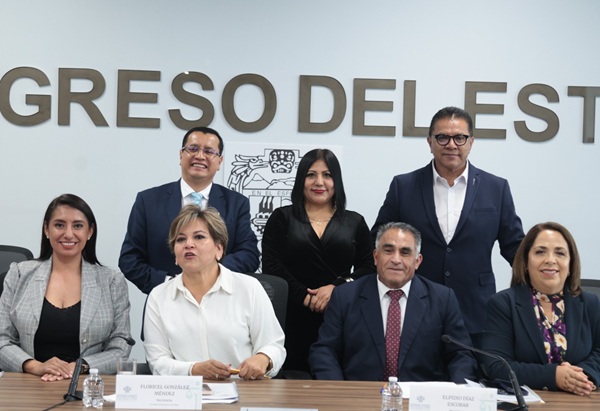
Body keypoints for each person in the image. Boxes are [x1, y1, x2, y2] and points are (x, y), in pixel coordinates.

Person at [371, 106, 524, 347]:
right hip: (416, 307)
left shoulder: (496, 188)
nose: (451, 144)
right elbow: (379, 241)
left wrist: (537, 289)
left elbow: (515, 247)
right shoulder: (404, 186)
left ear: (471, 142)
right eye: (442, 137)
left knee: (474, 371)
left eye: (459, 137)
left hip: (476, 310)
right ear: (429, 142)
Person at [309, 222, 476, 382]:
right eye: (388, 251)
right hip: (361, 395)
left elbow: (461, 355)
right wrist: (338, 391)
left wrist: (457, 395)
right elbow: (325, 350)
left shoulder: (442, 298)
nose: (396, 259)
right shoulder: (345, 296)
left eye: (405, 252)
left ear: (417, 261)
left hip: (420, 397)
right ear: (376, 256)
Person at [262, 148, 375, 373]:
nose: (319, 182)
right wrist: (305, 296)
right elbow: (272, 266)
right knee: (290, 382)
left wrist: (337, 288)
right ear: (300, 180)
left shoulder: (355, 221)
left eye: (327, 175)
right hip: (290, 317)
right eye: (311, 175)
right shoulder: (282, 218)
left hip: (340, 316)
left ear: (337, 181)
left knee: (335, 380)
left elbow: (369, 268)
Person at [143, 205, 285, 379]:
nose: (188, 244)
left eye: (199, 237)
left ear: (219, 248)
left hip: (242, 388)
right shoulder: (158, 297)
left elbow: (274, 345)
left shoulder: (249, 288)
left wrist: (263, 358)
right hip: (186, 390)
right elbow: (157, 362)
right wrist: (193, 369)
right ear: (175, 254)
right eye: (180, 239)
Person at [0, 194, 132, 380]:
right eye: (59, 225)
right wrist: (36, 367)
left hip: (87, 385)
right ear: (46, 229)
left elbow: (121, 346)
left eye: (77, 226)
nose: (68, 234)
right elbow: (2, 339)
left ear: (90, 231)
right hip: (29, 383)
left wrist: (78, 367)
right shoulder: (19, 274)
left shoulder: (112, 281)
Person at [119, 126, 259, 295]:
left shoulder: (236, 203)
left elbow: (249, 254)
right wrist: (168, 284)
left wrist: (211, 275)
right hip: (165, 299)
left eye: (209, 151)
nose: (200, 156)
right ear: (181, 155)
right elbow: (129, 259)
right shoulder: (148, 200)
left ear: (219, 161)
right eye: (193, 148)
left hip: (220, 299)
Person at [482, 222, 600, 395]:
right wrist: (554, 376)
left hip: (581, 398)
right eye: (540, 252)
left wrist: (580, 376)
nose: (550, 260)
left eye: (560, 253)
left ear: (570, 264)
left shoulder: (590, 303)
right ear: (525, 262)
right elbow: (497, 366)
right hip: (528, 401)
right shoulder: (503, 304)